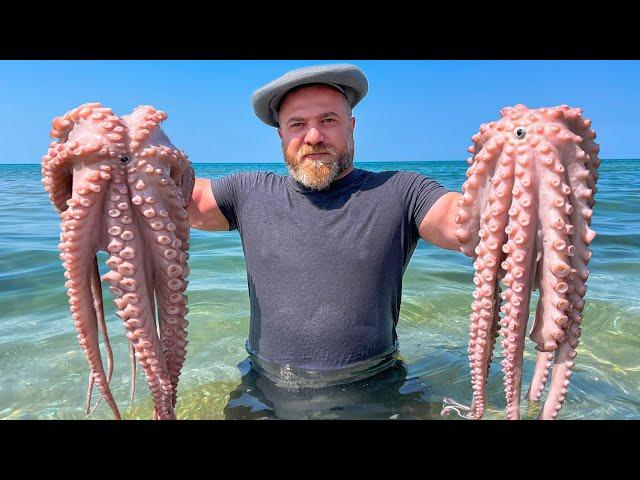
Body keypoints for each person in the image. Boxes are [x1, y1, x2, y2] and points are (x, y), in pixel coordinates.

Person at [186, 64, 463, 418]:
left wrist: (525, 172)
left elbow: (460, 222)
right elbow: (182, 199)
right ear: (281, 136)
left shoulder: (401, 191)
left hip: (377, 384)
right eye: (297, 124)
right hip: (265, 389)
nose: (313, 136)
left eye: (328, 121)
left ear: (352, 126)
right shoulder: (248, 192)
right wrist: (122, 155)